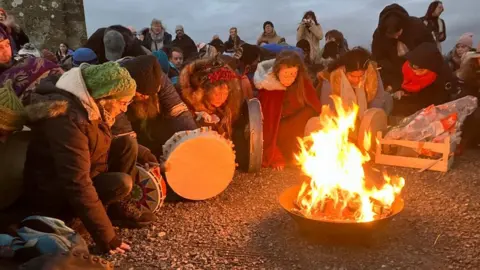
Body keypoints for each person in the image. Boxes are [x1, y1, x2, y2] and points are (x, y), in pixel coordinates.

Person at [21, 62, 152, 254]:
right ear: (105, 98)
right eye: (124, 103)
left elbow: (100, 141)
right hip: (55, 193)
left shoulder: (89, 106)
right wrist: (107, 238)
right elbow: (77, 182)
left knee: (127, 145)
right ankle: (75, 219)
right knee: (121, 182)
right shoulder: (67, 119)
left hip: (86, 170)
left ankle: (115, 208)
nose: (125, 109)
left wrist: (146, 154)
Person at [254, 50, 322, 170]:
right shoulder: (270, 90)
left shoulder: (302, 82)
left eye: (293, 74)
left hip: (300, 129)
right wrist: (275, 155)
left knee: (312, 115)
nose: (290, 78)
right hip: (280, 132)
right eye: (286, 74)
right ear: (277, 71)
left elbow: (316, 107)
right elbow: (268, 126)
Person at [116, 55, 197, 156]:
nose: (145, 98)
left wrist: (194, 138)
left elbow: (179, 112)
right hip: (127, 122)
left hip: (152, 123)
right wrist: (140, 154)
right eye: (141, 94)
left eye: (149, 95)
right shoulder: (118, 84)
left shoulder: (158, 77)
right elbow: (122, 130)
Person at [372, 3, 435, 93]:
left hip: (421, 69)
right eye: (392, 35)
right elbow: (379, 58)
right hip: (395, 71)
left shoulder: (416, 26)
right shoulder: (379, 36)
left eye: (398, 33)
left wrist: (418, 61)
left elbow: (430, 47)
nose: (396, 37)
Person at [318, 47, 393, 119]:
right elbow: (328, 109)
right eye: (352, 76)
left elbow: (378, 99)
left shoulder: (372, 74)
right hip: (341, 119)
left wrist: (368, 118)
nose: (357, 80)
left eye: (361, 76)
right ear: (344, 70)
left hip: (366, 114)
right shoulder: (331, 80)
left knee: (387, 98)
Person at [178, 57, 244, 138]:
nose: (220, 100)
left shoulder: (226, 107)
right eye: (217, 95)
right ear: (202, 92)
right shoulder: (183, 105)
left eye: (225, 94)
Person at [390, 42, 452, 117]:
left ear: (431, 69)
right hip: (410, 103)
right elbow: (397, 77)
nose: (413, 70)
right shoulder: (409, 66)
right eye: (411, 65)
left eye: (419, 68)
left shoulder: (441, 83)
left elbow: (433, 108)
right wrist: (399, 90)